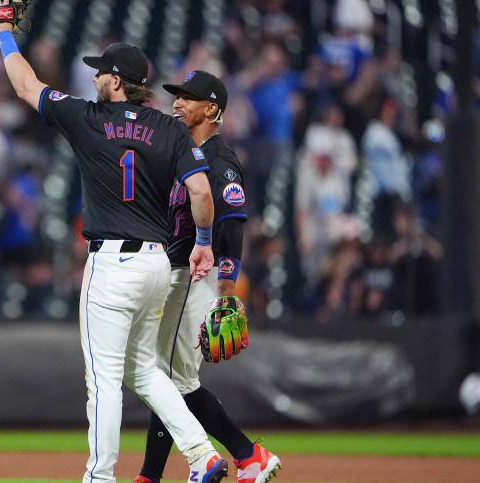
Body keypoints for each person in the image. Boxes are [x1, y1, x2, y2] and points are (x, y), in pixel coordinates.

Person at [0, 7, 227, 483]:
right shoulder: (171, 128)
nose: (95, 77)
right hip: (158, 264)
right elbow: (201, 191)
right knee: (144, 370)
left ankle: (99, 477)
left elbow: (24, 85)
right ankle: (203, 456)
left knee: (103, 380)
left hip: (113, 264)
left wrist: (3, 33)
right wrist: (203, 242)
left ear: (116, 82)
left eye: (101, 72)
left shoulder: (89, 118)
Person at [133, 71, 282, 483]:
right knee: (166, 378)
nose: (177, 104)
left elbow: (233, 227)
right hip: (179, 272)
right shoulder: (186, 154)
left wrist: (228, 291)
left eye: (188, 98)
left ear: (212, 108)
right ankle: (238, 457)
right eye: (177, 97)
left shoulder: (219, 161)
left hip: (196, 276)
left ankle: (247, 453)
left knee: (171, 379)